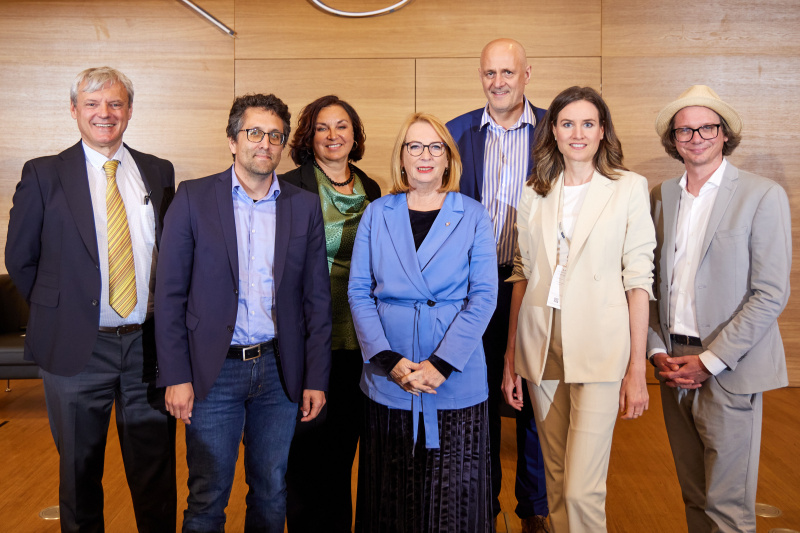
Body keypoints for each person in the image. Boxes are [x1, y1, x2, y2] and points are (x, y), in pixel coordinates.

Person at [5, 66, 176, 532]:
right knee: (79, 477)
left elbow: (169, 253)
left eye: (115, 103)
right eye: (93, 103)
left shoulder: (158, 171)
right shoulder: (43, 173)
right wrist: (63, 313)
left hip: (147, 348)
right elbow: (20, 257)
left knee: (156, 472)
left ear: (130, 111)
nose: (105, 113)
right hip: (77, 348)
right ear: (74, 110)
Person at [155, 93, 332, 533]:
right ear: (233, 140)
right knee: (207, 495)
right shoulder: (193, 198)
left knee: (271, 491)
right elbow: (170, 295)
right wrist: (175, 375)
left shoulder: (303, 206)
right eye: (254, 133)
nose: (264, 143)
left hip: (278, 371)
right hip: (212, 372)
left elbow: (316, 301)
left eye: (275, 135)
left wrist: (315, 378)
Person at [504, 86, 655, 532]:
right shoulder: (535, 191)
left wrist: (636, 369)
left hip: (600, 348)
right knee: (555, 480)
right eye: (567, 123)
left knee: (580, 490)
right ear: (553, 130)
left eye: (588, 123)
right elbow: (522, 273)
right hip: (540, 343)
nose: (577, 133)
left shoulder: (628, 188)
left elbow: (638, 281)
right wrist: (512, 356)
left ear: (603, 130)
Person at [648, 85, 791, 533]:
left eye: (706, 127)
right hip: (673, 364)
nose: (696, 137)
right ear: (673, 140)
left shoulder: (762, 195)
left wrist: (710, 361)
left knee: (727, 507)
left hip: (730, 366)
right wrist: (655, 350)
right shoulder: (661, 196)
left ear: (724, 134)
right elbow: (648, 283)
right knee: (693, 496)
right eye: (685, 130)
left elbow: (770, 293)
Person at [348, 112, 498, 533]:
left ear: (449, 158)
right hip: (389, 373)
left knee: (454, 498)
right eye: (414, 146)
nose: (425, 155)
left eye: (435, 147)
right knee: (390, 494)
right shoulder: (377, 213)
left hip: (455, 374)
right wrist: (387, 359)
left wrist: (442, 364)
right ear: (402, 158)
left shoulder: (473, 214)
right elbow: (358, 291)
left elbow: (484, 296)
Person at [446, 37, 550, 532]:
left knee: (533, 399)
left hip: (536, 284)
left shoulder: (554, 129)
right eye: (490, 73)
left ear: (527, 75)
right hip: (473, 289)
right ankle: (482, 506)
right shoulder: (456, 132)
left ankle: (534, 508)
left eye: (508, 72)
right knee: (480, 399)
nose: (499, 82)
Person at [281, 95, 381, 532]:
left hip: (358, 336)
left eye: (342, 126)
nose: (333, 135)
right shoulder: (290, 186)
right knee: (305, 452)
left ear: (355, 135)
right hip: (307, 336)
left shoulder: (371, 188)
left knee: (344, 449)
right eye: (322, 127)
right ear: (309, 136)